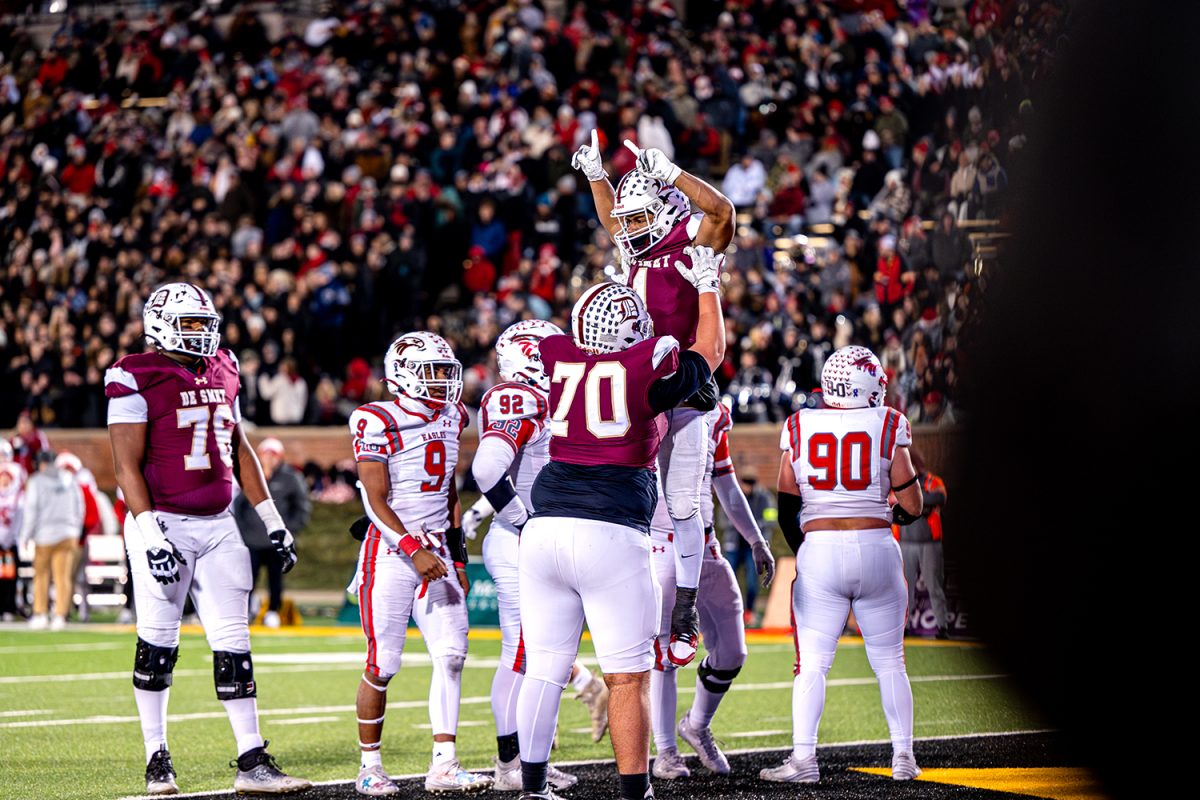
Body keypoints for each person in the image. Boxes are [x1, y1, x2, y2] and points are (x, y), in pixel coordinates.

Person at [515, 249, 725, 800]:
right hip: (610, 531)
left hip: (543, 528)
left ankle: (533, 789)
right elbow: (711, 350)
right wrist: (707, 285)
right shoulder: (644, 364)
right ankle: (636, 794)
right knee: (627, 678)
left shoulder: (557, 353)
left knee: (543, 668)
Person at [106, 282, 310, 795]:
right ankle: (156, 756)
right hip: (164, 521)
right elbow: (125, 466)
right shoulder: (134, 374)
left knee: (234, 642)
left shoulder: (224, 365)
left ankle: (252, 759)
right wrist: (149, 532)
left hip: (220, 523)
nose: (203, 333)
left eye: (206, 322)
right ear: (159, 324)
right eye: (191, 323)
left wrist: (273, 520)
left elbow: (239, 446)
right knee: (159, 642)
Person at [573, 129, 735, 668]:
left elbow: (722, 212)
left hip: (686, 379)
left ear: (666, 211)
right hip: (639, 379)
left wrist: (671, 174)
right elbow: (611, 219)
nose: (629, 230)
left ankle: (684, 611)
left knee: (684, 503)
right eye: (631, 219)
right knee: (629, 491)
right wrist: (598, 176)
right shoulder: (642, 238)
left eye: (642, 218)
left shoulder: (691, 236)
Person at [763, 345, 923, 784]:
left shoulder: (799, 425)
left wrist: (810, 550)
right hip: (876, 546)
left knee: (812, 665)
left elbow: (786, 500)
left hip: (821, 547)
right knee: (891, 662)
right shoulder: (889, 422)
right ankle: (904, 757)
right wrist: (887, 517)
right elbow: (913, 502)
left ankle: (804, 760)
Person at [346, 331, 491, 796]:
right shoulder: (375, 419)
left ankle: (445, 764)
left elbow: (449, 489)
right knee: (383, 662)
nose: (443, 381)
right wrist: (413, 548)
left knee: (451, 654)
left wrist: (458, 554)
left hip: (438, 548)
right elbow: (374, 498)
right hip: (390, 550)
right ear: (401, 376)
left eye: (447, 371)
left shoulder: (453, 414)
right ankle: (370, 766)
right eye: (432, 371)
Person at [460, 319, 593, 791]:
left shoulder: (552, 397)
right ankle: (510, 766)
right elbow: (489, 466)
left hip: (538, 536)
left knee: (548, 656)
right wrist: (523, 520)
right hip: (521, 540)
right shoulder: (516, 394)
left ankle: (530, 758)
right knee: (521, 653)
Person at [649, 403, 775, 780]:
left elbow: (726, 483)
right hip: (661, 543)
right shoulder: (644, 402)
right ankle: (665, 752)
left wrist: (755, 539)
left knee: (733, 651)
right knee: (665, 655)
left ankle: (697, 724)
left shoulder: (714, 413)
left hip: (705, 544)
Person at [232, 438, 311, 628]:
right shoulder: (251, 474)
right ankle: (247, 610)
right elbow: (239, 506)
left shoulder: (291, 478)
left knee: (276, 578)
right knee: (248, 578)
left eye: (272, 455)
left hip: (276, 540)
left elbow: (301, 507)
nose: (268, 459)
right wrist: (243, 532)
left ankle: (273, 611)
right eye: (265, 454)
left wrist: (288, 530)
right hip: (252, 540)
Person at [18, 449, 83, 631]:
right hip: (67, 534)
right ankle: (60, 616)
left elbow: (31, 510)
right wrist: (75, 529)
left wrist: (25, 536)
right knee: (63, 578)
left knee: (41, 576)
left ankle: (40, 614)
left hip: (44, 535)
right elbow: (80, 506)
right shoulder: (69, 479)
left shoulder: (37, 481)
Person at [893, 451, 950, 639]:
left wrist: (914, 499)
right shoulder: (898, 480)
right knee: (905, 587)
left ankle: (943, 626)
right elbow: (891, 500)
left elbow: (940, 498)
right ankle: (904, 626)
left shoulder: (932, 481)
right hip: (905, 543)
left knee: (935, 585)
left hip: (929, 543)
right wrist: (920, 502)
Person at [720, 467, 775, 622]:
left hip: (754, 548)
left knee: (752, 580)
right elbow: (723, 520)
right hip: (734, 545)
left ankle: (749, 612)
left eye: (751, 482)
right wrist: (740, 525)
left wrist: (754, 529)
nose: (748, 486)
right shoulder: (732, 497)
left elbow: (771, 519)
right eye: (745, 482)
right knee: (729, 581)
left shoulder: (765, 497)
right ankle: (730, 612)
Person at [0, 441, 25, 621]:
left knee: (9, 576)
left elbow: (19, 515)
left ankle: (9, 606)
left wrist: (10, 538)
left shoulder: (17, 496)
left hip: (9, 542)